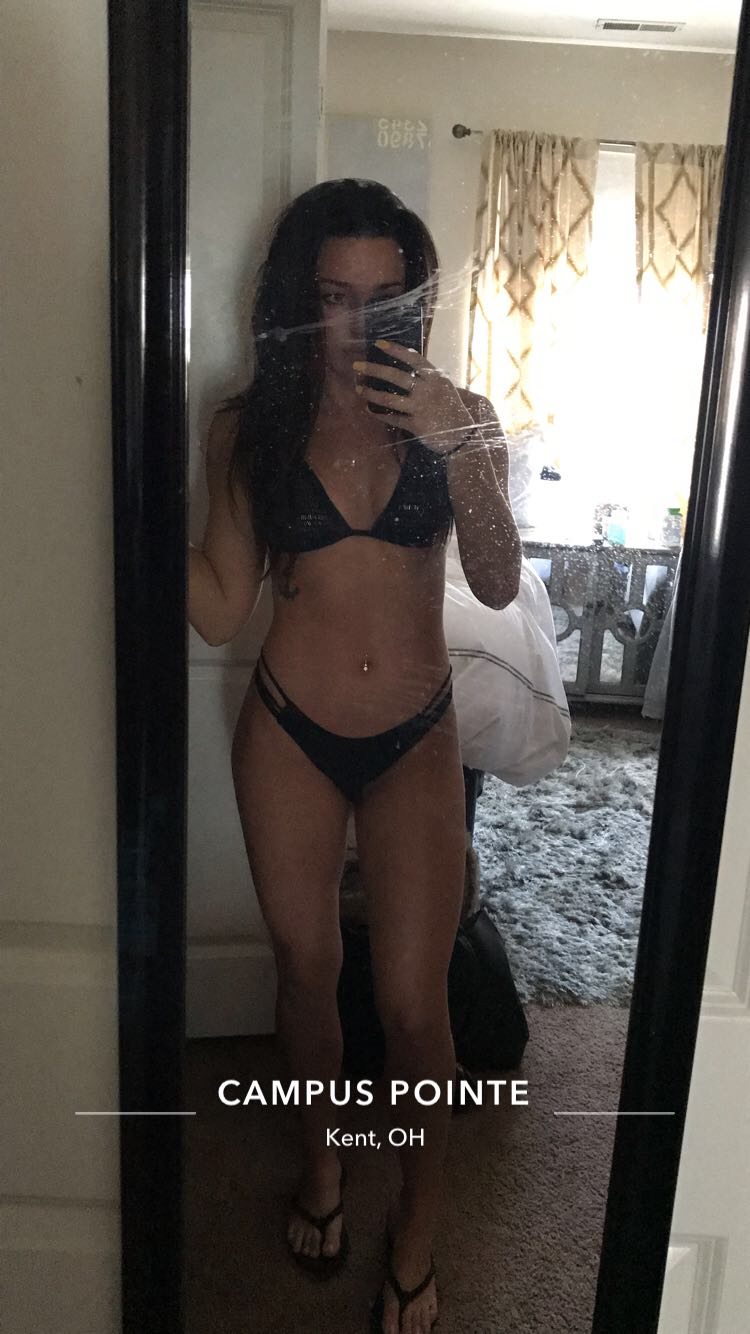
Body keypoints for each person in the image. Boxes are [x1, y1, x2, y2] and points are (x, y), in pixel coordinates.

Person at [189, 178, 522, 1334]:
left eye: (383, 300)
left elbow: (497, 580)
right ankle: (325, 1165)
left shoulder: (462, 411)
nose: (356, 324)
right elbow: (221, 607)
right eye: (334, 296)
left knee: (415, 1007)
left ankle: (416, 1232)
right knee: (306, 970)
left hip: (415, 735)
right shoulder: (248, 428)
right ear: (299, 298)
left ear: (414, 305)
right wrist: (129, 511)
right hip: (290, 728)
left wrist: (460, 444)